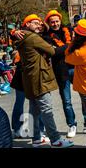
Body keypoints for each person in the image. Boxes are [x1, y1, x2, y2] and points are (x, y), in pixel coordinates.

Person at [14, 14, 73, 148]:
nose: (39, 25)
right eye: (35, 23)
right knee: (47, 109)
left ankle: (36, 138)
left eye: (40, 23)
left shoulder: (23, 36)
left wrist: (15, 31)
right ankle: (56, 139)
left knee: (34, 109)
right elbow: (52, 51)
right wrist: (68, 45)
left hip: (30, 78)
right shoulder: (33, 38)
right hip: (40, 78)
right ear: (27, 24)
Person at [42, 10, 86, 137]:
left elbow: (75, 46)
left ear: (60, 21)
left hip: (75, 68)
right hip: (61, 71)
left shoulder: (69, 30)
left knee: (84, 96)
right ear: (49, 23)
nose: (55, 24)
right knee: (67, 101)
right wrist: (69, 46)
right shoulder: (46, 36)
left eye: (57, 21)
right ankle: (72, 125)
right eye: (52, 22)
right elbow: (53, 52)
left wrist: (61, 49)